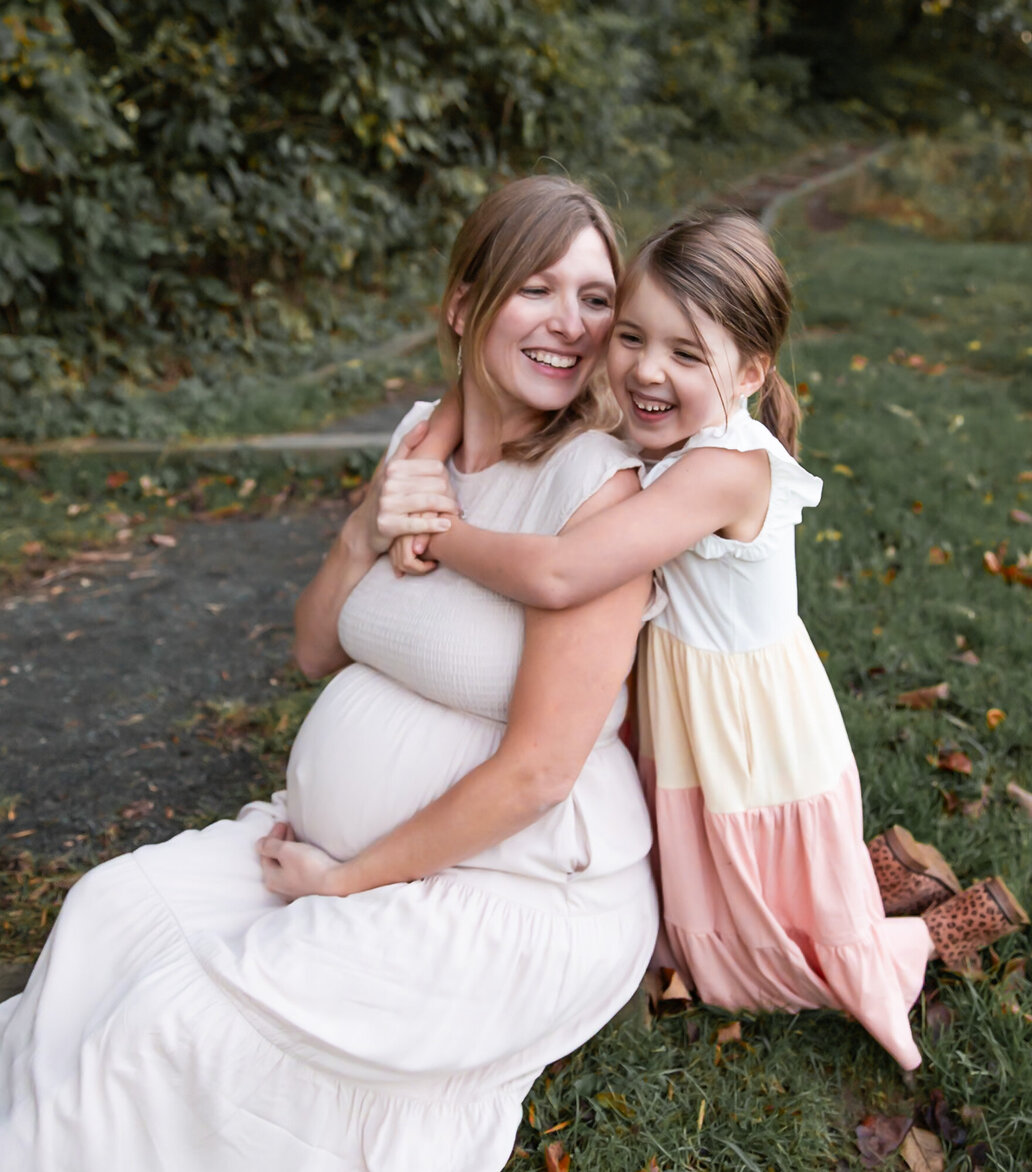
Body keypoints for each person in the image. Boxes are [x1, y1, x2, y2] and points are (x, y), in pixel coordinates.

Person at [0, 175, 660, 1170]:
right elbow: (317, 645)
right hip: (337, 846)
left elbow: (538, 774)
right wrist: (367, 522)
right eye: (537, 288)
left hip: (515, 891)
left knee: (176, 1027)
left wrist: (343, 882)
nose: (570, 323)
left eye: (596, 297)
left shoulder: (596, 489)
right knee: (112, 907)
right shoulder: (417, 443)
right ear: (463, 303)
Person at [396, 211, 1030, 1071]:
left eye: (686, 354)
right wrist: (425, 452)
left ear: (751, 372)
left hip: (750, 737)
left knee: (752, 970)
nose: (645, 371)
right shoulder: (653, 428)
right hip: (693, 719)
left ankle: (914, 939)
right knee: (708, 919)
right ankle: (867, 874)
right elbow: (467, 400)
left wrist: (440, 532)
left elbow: (559, 576)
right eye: (630, 337)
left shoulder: (725, 468)